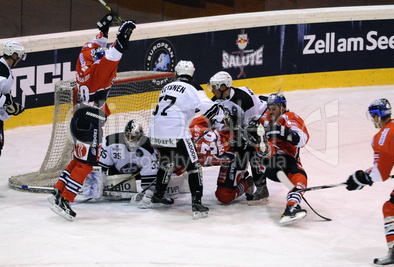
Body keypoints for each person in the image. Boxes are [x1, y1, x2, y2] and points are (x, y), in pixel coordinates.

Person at [47, 13, 136, 221]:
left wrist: (104, 30)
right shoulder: (99, 72)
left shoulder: (83, 64)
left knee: (77, 160)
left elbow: (94, 47)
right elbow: (114, 52)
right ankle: (66, 201)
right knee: (86, 164)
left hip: (78, 118)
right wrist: (124, 34)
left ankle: (58, 190)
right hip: (90, 121)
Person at [147, 60, 226, 219]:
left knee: (167, 160)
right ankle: (197, 204)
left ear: (175, 74)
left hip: (155, 132)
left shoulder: (166, 87)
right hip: (176, 132)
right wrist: (222, 117)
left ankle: (158, 195)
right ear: (192, 75)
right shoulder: (194, 88)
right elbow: (211, 108)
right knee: (194, 166)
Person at [345, 98, 394, 265]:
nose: (372, 120)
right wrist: (362, 176)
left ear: (377, 116)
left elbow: (380, 173)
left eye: (372, 116)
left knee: (391, 208)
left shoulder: (383, 136)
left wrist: (360, 179)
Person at [207, 71, 267, 203]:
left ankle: (261, 186)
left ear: (223, 87)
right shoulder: (215, 101)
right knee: (223, 195)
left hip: (253, 132)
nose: (212, 90)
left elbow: (254, 127)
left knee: (255, 147)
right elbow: (211, 125)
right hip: (235, 142)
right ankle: (245, 180)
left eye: (214, 87)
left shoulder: (244, 100)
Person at [260, 92, 310, 224]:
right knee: (299, 173)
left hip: (283, 164)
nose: (270, 112)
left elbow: (301, 140)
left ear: (282, 108)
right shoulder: (264, 118)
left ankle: (292, 204)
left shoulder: (290, 117)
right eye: (269, 108)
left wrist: (283, 132)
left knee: (299, 174)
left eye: (274, 108)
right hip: (269, 164)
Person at [0, 40, 26, 156]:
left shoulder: (3, 67)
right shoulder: (2, 71)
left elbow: (3, 92)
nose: (19, 59)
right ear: (13, 55)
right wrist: (8, 104)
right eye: (19, 56)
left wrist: (10, 103)